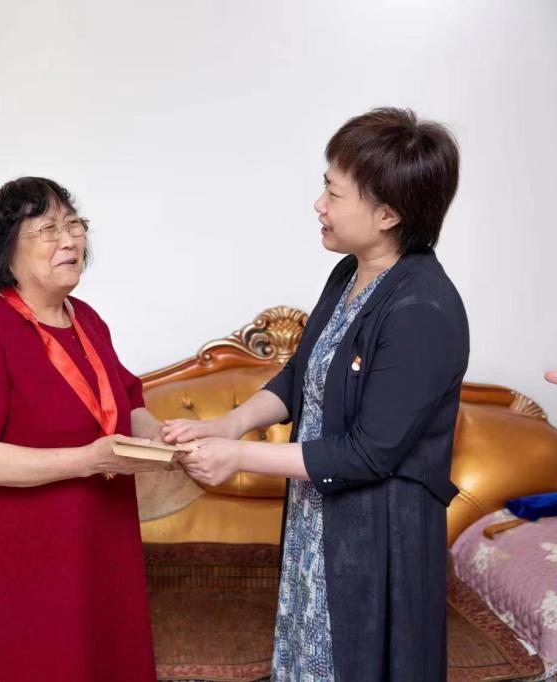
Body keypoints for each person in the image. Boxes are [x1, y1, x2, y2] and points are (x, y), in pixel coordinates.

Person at [162, 108, 469, 681]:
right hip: (319, 519)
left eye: (334, 192)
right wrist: (229, 425)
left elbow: (369, 452)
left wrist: (238, 456)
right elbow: (301, 375)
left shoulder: (422, 309)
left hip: (378, 536)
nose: (318, 204)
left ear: (388, 214)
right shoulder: (350, 273)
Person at [0, 177, 166, 681]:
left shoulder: (86, 320)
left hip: (102, 539)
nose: (69, 240)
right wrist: (88, 460)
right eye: (48, 229)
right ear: (6, 249)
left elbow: (126, 401)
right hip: (25, 558)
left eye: (74, 225)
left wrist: (162, 437)